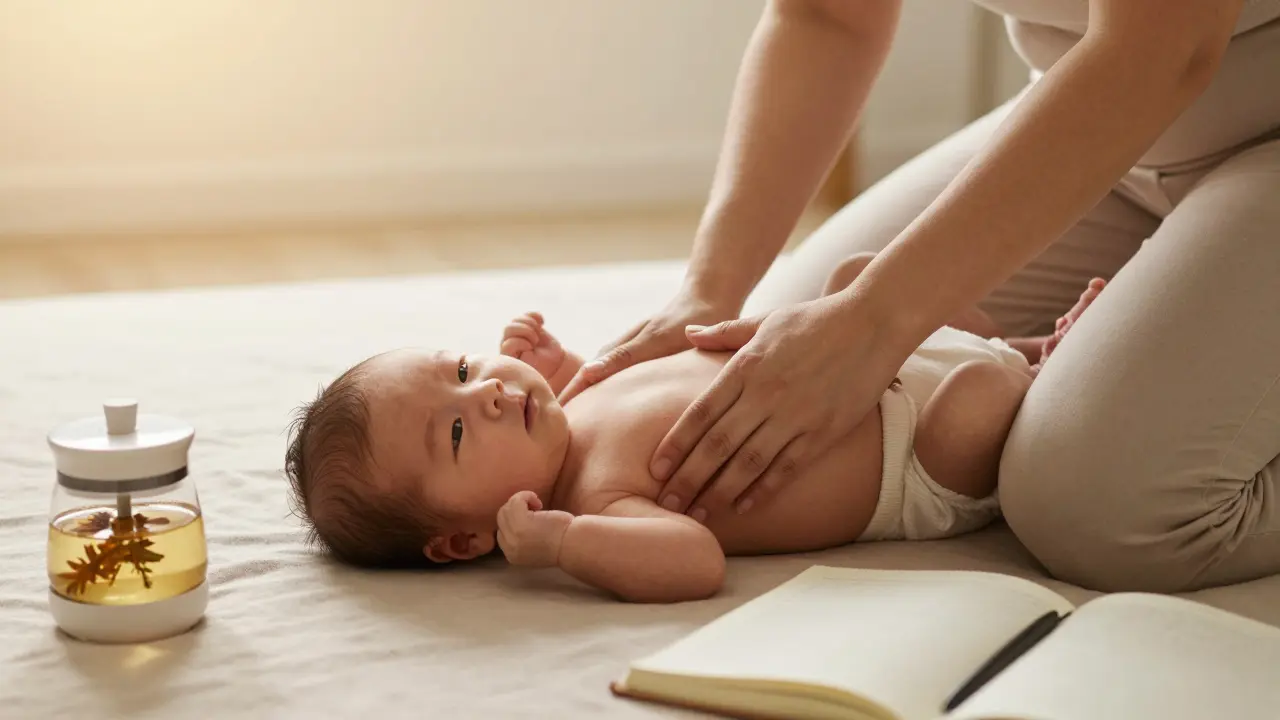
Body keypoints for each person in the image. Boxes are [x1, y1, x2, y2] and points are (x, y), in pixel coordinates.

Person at [555, 0, 1280, 594]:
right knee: (758, 353)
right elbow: (826, 16)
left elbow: (1167, 48)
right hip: (1108, 122)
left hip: (1195, 95)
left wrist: (876, 320)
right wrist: (708, 291)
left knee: (1095, 508)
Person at [282, 256, 1102, 603]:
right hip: (914, 453)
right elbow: (694, 562)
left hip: (871, 357)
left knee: (862, 278)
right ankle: (1046, 370)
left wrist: (560, 364)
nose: (491, 394)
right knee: (978, 403)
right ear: (462, 541)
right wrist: (564, 544)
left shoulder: (568, 414)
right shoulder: (599, 500)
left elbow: (618, 391)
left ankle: (1026, 346)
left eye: (463, 371)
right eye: (456, 435)